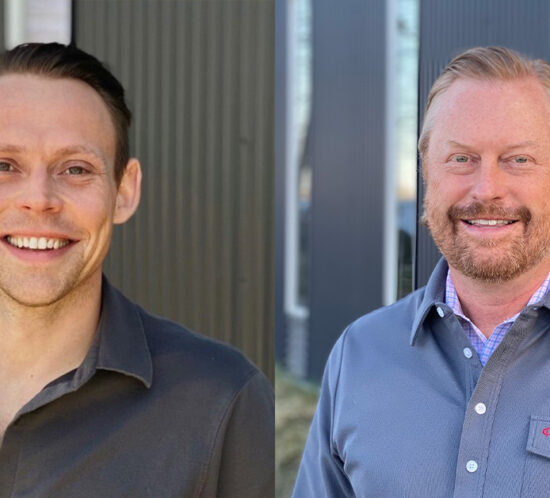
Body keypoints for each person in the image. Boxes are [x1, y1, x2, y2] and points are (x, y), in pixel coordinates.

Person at [0, 42, 273, 497]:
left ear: (124, 191)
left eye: (75, 169)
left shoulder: (222, 401)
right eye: (4, 165)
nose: (39, 198)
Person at [293, 46, 550, 497]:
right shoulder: (359, 354)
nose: (487, 188)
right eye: (460, 158)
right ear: (427, 174)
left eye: (519, 159)